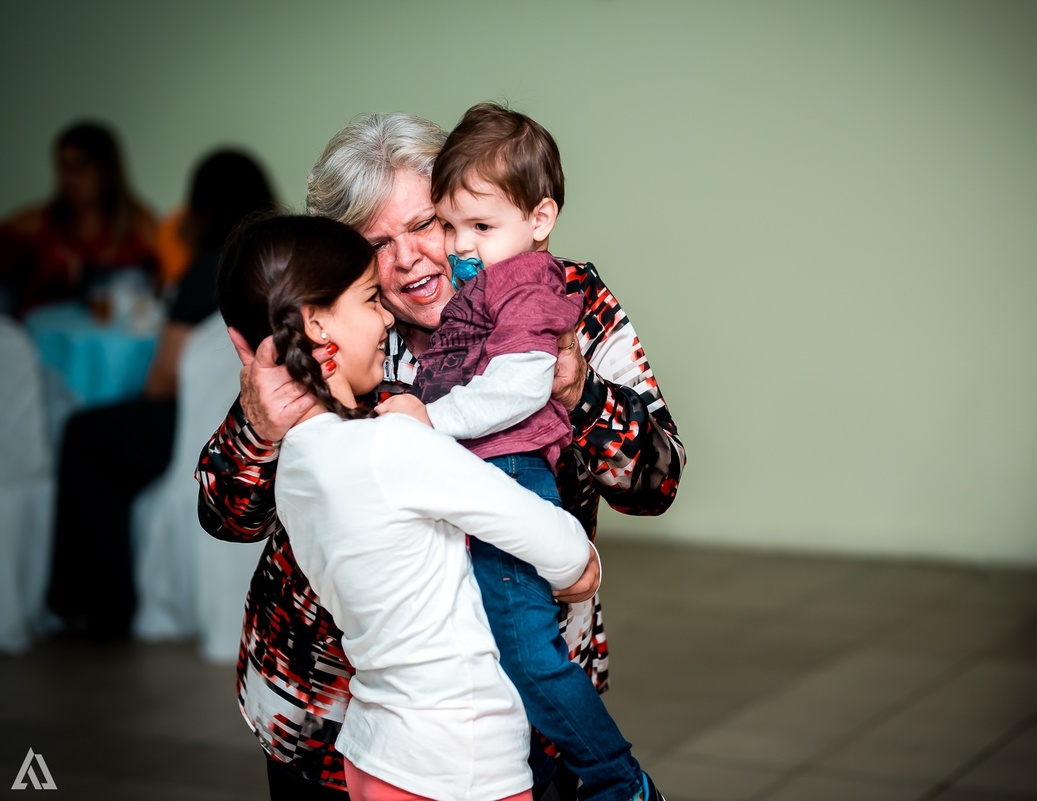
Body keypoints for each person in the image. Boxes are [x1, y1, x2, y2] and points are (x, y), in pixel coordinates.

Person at [196, 112, 684, 801]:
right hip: (335, 713)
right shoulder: (337, 333)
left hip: (526, 705)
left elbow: (656, 480)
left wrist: (579, 393)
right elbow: (227, 515)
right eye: (374, 244)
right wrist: (257, 426)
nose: (409, 259)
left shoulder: (564, 303)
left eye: (426, 224)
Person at [218, 213, 598, 801]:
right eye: (371, 298)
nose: (385, 317)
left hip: (374, 752)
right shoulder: (394, 441)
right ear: (319, 325)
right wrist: (579, 570)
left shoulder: (293, 459)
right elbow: (562, 547)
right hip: (455, 759)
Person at [382, 102, 658, 801]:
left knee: (527, 650)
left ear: (539, 219)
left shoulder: (536, 286)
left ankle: (619, 781)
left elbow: (517, 387)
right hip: (402, 707)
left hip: (505, 470)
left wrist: (422, 422)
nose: (446, 247)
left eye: (429, 226)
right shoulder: (357, 313)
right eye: (449, 224)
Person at [45, 150, 275, 639]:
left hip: (194, 429)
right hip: (257, 423)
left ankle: (98, 604)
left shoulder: (209, 269)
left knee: (83, 435)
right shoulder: (278, 261)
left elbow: (162, 381)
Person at [0, 121, 158, 317]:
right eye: (63, 167)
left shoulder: (141, 226)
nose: (70, 179)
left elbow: (169, 288)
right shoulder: (36, 224)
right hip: (39, 341)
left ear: (106, 171)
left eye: (80, 167)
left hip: (116, 343)